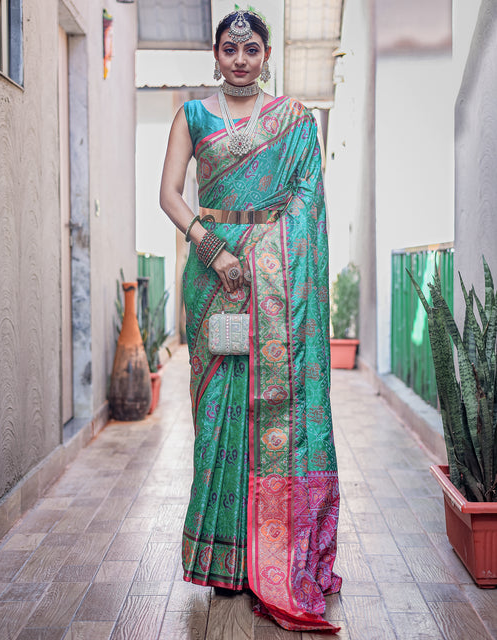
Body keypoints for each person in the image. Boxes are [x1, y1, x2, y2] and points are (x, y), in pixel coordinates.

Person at [160, 9, 342, 633]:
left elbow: (307, 199)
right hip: (213, 280)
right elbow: (170, 195)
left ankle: (273, 552)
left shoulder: (293, 121)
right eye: (230, 48)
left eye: (252, 48)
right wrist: (214, 251)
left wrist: (259, 261)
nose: (240, 58)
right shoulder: (193, 115)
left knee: (274, 412)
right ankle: (221, 560)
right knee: (215, 413)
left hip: (273, 281)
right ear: (216, 54)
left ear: (267, 55)